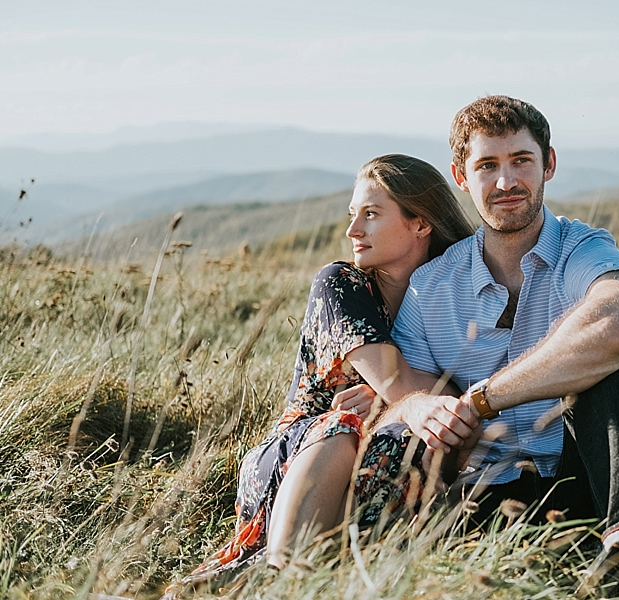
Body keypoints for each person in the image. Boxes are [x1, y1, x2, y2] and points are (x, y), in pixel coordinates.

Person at [354, 96, 619, 598]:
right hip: (482, 495)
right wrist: (421, 406)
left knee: (614, 372)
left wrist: (486, 397)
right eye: (487, 165)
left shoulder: (584, 249)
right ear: (461, 177)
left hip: (589, 480)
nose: (506, 182)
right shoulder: (430, 288)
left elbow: (617, 326)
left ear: (548, 164)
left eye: (521, 161)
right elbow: (401, 406)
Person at [164, 154, 473, 595]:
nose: (352, 230)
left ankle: (350, 575)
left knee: (404, 445)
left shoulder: (457, 294)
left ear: (420, 223)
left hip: (387, 447)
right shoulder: (341, 285)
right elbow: (399, 382)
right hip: (302, 450)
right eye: (353, 215)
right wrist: (393, 399)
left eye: (370, 214)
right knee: (346, 422)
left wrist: (389, 408)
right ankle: (280, 574)